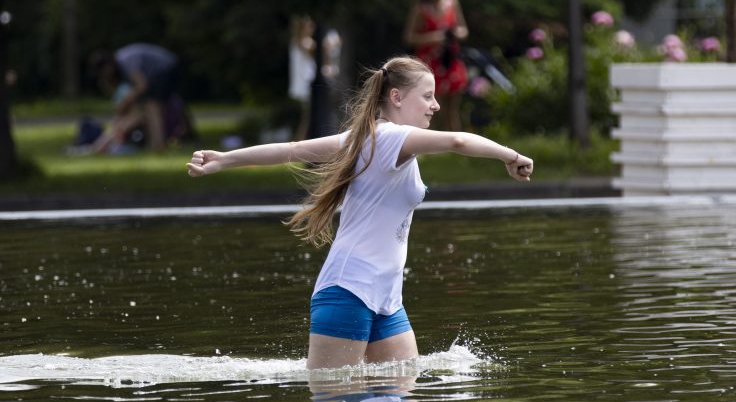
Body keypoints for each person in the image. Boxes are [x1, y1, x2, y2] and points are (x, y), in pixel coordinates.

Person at [186, 56, 533, 369]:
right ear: (396, 97)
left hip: (385, 296)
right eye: (427, 96)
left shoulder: (363, 139)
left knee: (398, 401)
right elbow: (457, 142)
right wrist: (510, 155)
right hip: (349, 289)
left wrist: (227, 159)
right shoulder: (390, 138)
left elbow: (291, 149)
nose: (436, 105)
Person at [404, 0, 469, 132]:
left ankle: (455, 144)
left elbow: (464, 30)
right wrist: (436, 37)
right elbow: (409, 37)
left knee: (452, 108)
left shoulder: (452, 2)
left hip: (449, 59)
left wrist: (455, 34)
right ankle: (434, 146)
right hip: (429, 62)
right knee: (432, 107)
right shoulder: (421, 8)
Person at [90, 43, 185, 153]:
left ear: (108, 66)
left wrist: (125, 102)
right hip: (168, 65)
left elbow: (141, 86)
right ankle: (161, 142)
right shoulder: (121, 59)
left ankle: (158, 144)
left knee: (152, 105)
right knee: (156, 105)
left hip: (166, 67)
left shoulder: (125, 62)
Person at [289, 16, 318, 142]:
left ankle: (300, 142)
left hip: (305, 83)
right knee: (308, 116)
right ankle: (299, 143)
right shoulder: (304, 42)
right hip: (306, 83)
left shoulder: (296, 41)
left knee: (308, 116)